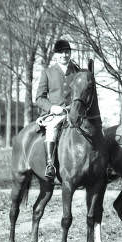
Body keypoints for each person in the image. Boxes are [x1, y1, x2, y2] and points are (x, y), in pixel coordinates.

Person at [35, 39, 81, 183]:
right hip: (56, 113)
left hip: (74, 111)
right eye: (61, 52)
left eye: (67, 52)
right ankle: (50, 165)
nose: (64, 55)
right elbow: (39, 98)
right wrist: (51, 107)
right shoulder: (47, 72)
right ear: (56, 54)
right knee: (53, 128)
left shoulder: (77, 71)